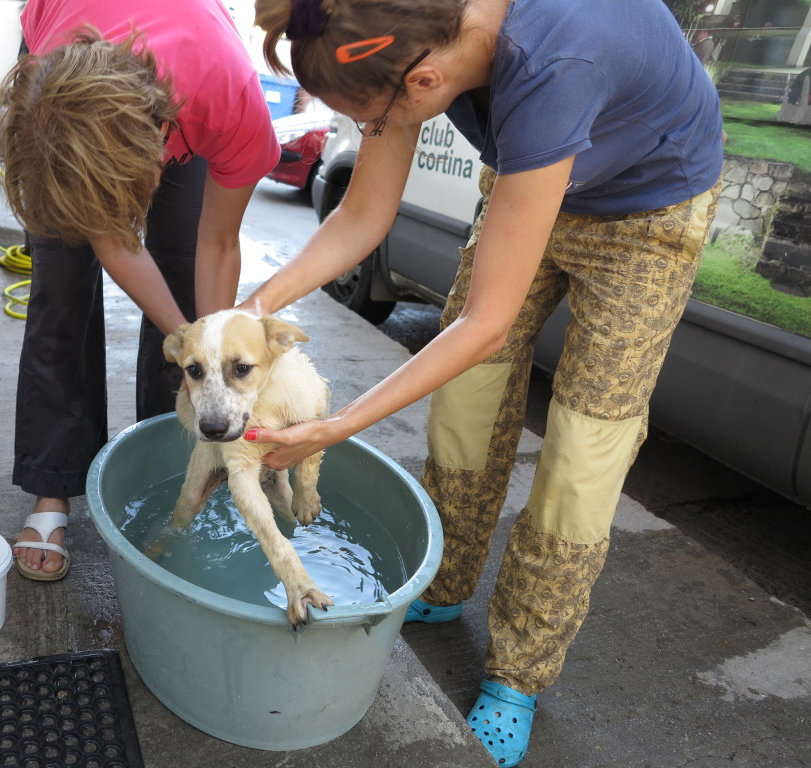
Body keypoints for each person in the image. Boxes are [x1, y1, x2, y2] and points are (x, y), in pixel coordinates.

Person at [239, 0, 723, 764]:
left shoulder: (558, 62)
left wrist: (336, 426)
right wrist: (250, 311)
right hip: (536, 176)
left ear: (426, 80)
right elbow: (364, 214)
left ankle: (518, 673)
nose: (371, 131)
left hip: (646, 215)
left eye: (371, 120)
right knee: (466, 405)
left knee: (583, 452)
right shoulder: (413, 32)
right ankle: (446, 581)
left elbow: (486, 322)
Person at [0, 0, 280, 581]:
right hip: (66, 73)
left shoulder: (227, 91)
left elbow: (216, 243)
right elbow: (111, 236)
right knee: (61, 284)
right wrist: (180, 335)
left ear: (158, 151)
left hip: (186, 79)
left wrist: (208, 364)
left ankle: (179, 470)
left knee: (181, 260)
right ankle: (53, 489)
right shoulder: (56, 95)